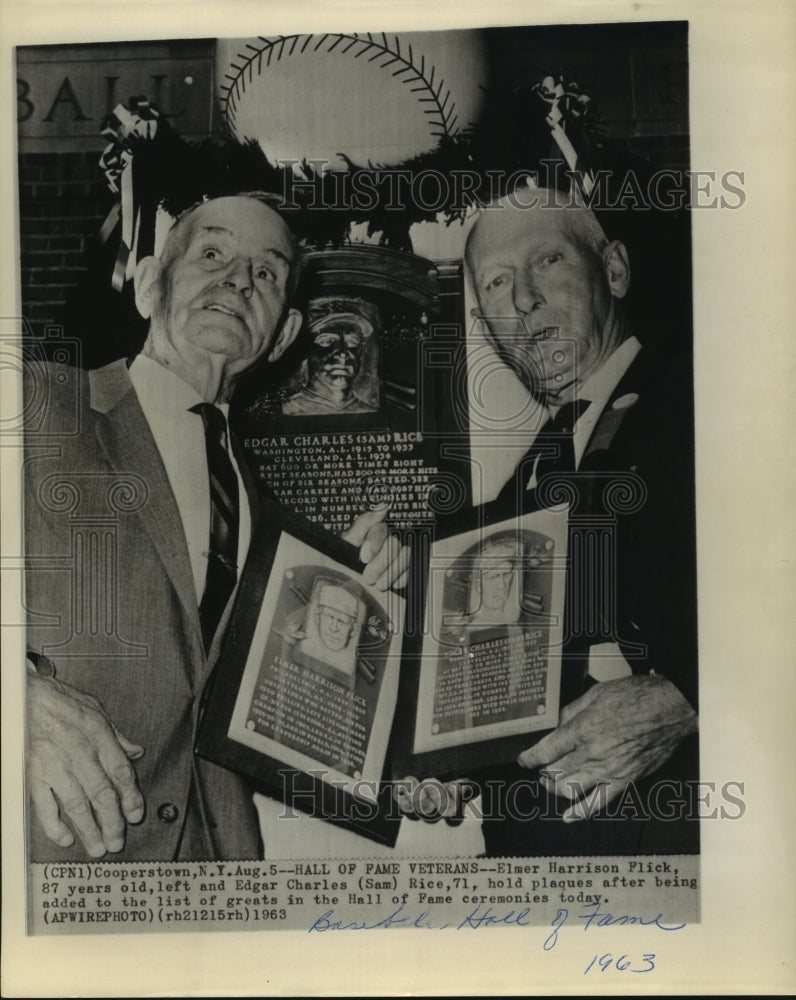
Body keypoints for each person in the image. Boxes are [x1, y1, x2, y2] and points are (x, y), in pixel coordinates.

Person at [24, 192, 409, 863]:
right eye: (212, 253)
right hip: (47, 878)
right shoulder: (31, 401)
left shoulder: (277, 526)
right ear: (148, 285)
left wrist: (374, 596)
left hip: (216, 888)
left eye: (266, 272)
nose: (238, 279)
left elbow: (298, 730)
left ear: (284, 334)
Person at [400, 183, 699, 854]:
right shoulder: (519, 488)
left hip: (681, 852)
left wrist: (688, 698)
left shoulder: (714, 400)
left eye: (548, 262)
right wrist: (446, 756)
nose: (523, 300)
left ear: (614, 269)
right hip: (532, 860)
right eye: (497, 283)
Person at [281, 295, 379, 415]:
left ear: (361, 353)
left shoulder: (370, 411)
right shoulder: (286, 410)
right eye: (326, 341)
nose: (343, 353)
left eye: (352, 342)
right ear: (305, 352)